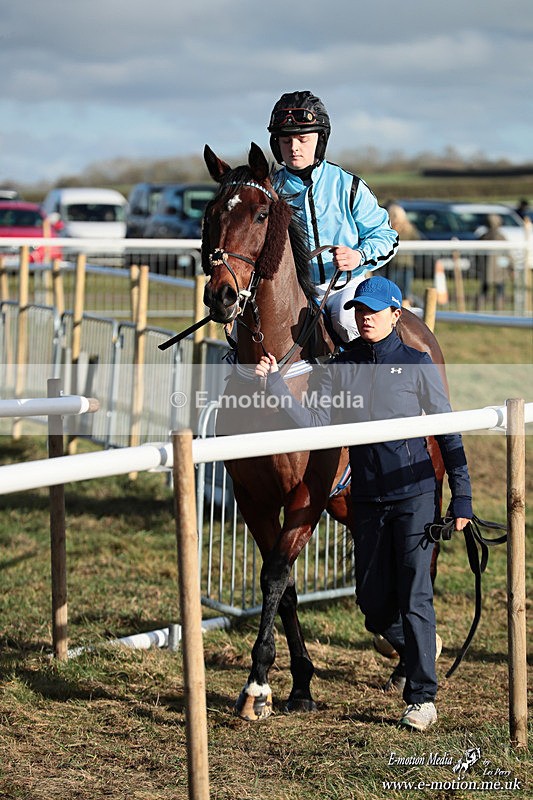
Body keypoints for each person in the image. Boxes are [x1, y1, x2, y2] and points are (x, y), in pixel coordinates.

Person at [255, 275, 473, 732]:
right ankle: (421, 645)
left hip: (415, 494)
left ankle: (421, 698)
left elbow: (449, 433)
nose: (364, 318)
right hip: (369, 498)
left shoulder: (416, 363)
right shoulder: (342, 366)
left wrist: (462, 497)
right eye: (359, 310)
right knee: (373, 605)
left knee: (415, 595)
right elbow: (314, 423)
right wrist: (275, 384)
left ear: (397, 314)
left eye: (373, 311)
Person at [267, 91, 399, 344]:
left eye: (302, 139)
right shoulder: (270, 191)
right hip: (289, 290)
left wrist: (358, 255)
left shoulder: (349, 185)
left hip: (344, 288)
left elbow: (387, 236)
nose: (294, 147)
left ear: (320, 140)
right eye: (286, 141)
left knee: (348, 323)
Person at [384, 203, 420, 307]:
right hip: (402, 264)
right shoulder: (409, 228)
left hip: (399, 264)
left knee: (400, 291)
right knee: (402, 291)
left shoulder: (394, 229)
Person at [476, 214, 510, 311]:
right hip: (499, 269)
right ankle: (499, 309)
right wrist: (511, 266)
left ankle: (479, 308)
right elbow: (508, 253)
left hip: (488, 270)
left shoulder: (483, 237)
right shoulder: (501, 237)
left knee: (484, 289)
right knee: (499, 289)